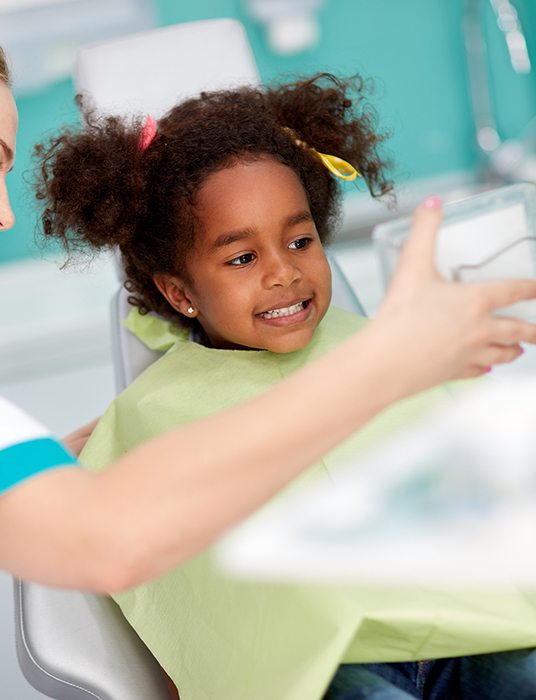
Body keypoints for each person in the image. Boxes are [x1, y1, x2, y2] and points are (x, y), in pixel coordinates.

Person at [0, 6, 536, 700]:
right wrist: (386, 364)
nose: (2, 213)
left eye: (301, 240)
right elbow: (99, 538)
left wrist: (50, 473)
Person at [36, 75, 536, 699]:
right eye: (242, 258)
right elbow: (181, 595)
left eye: (300, 241)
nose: (284, 272)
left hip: (469, 629)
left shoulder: (384, 348)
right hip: (323, 668)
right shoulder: (154, 413)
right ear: (180, 293)